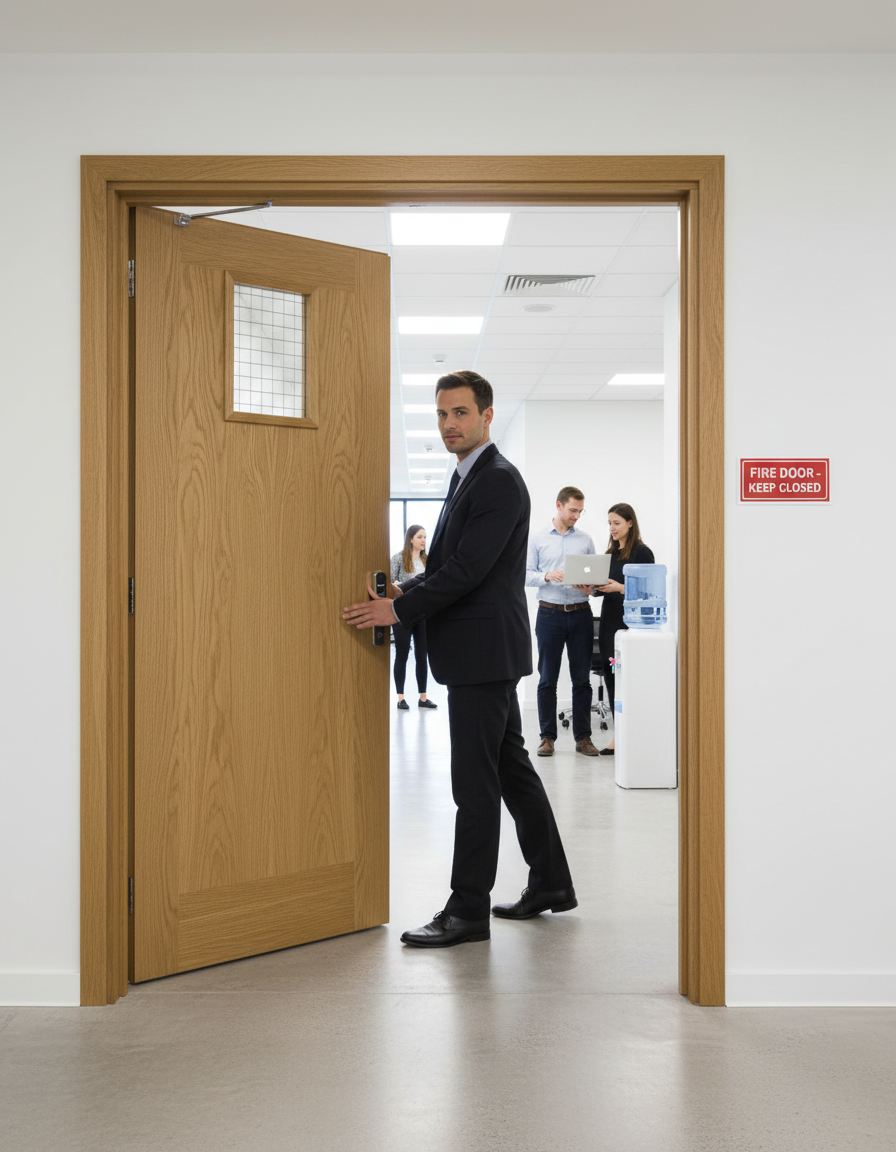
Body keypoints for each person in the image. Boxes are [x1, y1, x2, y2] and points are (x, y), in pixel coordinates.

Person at [342, 370, 576, 948]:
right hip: (483, 651)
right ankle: (550, 882)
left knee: (474, 786)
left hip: (482, 655)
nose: (450, 425)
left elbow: (468, 572)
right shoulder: (467, 477)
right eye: (443, 415)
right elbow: (457, 565)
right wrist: (406, 595)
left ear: (487, 415)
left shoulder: (496, 480)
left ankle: (467, 909)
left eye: (461, 413)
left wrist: (399, 613)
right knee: (512, 773)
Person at [526, 487, 600, 758]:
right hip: (550, 615)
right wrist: (547, 575)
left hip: (581, 613)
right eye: (572, 510)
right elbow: (524, 574)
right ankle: (547, 737)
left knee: (582, 679)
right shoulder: (537, 538)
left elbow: (595, 576)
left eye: (580, 511)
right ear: (559, 505)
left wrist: (591, 587)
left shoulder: (586, 540)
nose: (576, 516)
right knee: (547, 679)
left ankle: (584, 738)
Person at [591, 502, 655, 756]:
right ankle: (619, 737)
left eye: (616, 523)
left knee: (630, 681)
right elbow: (600, 589)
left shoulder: (642, 553)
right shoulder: (609, 555)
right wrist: (590, 588)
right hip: (609, 622)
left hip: (630, 624)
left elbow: (649, 591)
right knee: (611, 677)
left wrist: (620, 587)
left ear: (630, 523)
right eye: (609, 523)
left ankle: (634, 736)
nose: (612, 528)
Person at [389, 524, 437, 710]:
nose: (424, 540)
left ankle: (423, 698)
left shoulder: (429, 561)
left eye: (425, 537)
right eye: (419, 537)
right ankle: (401, 697)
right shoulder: (398, 559)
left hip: (423, 613)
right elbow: (390, 586)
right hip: (402, 614)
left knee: (421, 655)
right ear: (410, 539)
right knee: (402, 654)